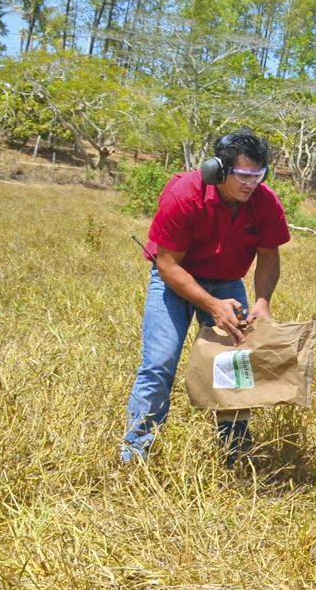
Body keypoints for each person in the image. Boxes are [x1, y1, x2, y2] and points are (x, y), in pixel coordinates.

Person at [122, 129, 289, 464]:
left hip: (227, 281)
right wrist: (213, 306)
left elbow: (269, 255)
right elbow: (167, 264)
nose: (249, 184)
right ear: (218, 170)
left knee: (234, 366)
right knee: (159, 365)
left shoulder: (265, 201)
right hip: (175, 281)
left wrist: (262, 302)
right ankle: (135, 452)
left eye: (257, 176)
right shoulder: (183, 194)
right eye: (242, 176)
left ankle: (235, 451)